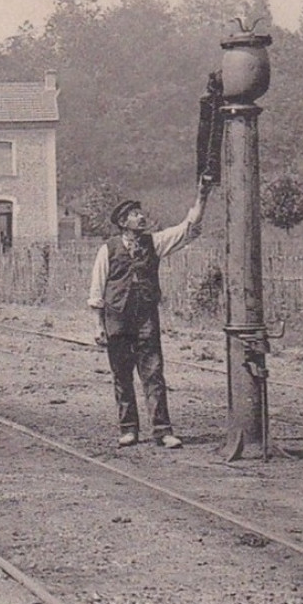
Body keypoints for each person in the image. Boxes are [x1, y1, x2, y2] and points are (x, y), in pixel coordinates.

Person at [86, 182, 210, 450]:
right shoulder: (107, 249)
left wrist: (202, 197)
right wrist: (98, 325)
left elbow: (186, 230)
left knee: (153, 374)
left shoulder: (153, 243)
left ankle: (163, 431)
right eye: (135, 214)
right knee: (122, 375)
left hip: (146, 318)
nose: (141, 217)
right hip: (117, 319)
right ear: (123, 221)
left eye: (140, 213)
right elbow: (97, 288)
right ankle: (128, 429)